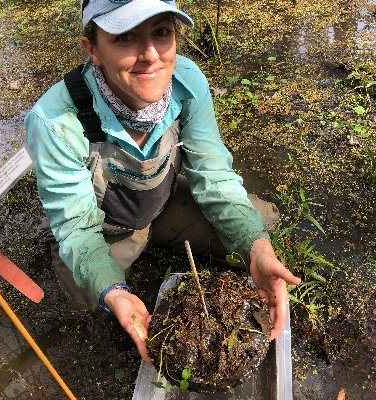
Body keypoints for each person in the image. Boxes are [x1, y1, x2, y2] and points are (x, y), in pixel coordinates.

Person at [25, 0, 301, 364]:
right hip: (107, 228)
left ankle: (166, 237)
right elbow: (78, 229)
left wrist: (258, 248)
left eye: (161, 32)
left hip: (163, 200)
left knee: (259, 227)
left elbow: (213, 172)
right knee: (91, 298)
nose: (151, 55)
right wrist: (116, 293)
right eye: (125, 37)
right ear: (92, 48)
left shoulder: (187, 81)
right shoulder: (55, 121)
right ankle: (115, 274)